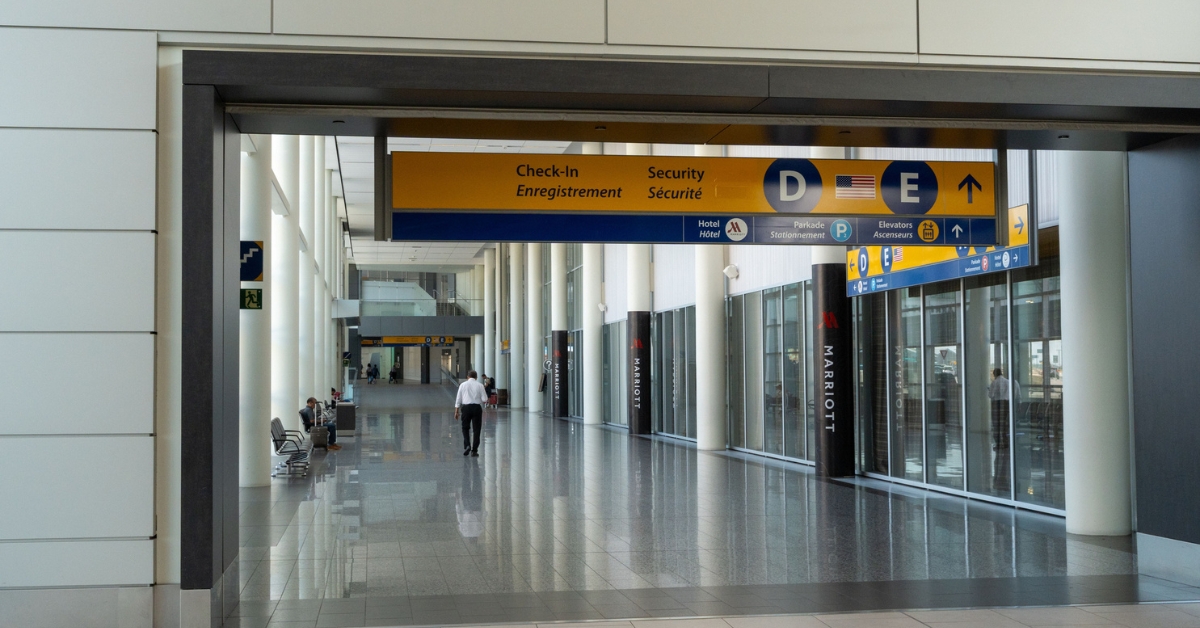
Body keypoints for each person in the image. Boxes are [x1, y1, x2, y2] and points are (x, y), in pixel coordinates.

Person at [454, 370, 488, 457]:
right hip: (477, 408)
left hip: (466, 408)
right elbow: (485, 399)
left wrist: (456, 411)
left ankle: (467, 445)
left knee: (465, 427)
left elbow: (458, 399)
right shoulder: (480, 385)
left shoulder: (463, 385)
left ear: (467, 377)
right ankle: (474, 451)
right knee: (477, 429)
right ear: (476, 377)